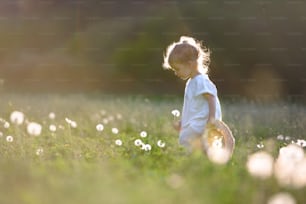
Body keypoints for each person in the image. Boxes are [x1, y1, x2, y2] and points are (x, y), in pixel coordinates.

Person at [163, 36, 222, 152]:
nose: (176, 73)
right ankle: (202, 158)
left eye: (177, 69)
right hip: (198, 120)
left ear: (190, 64)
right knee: (201, 144)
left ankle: (190, 159)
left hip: (203, 121)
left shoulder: (200, 80)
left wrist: (212, 119)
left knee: (185, 139)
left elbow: (211, 98)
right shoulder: (192, 81)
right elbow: (192, 107)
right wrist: (183, 122)